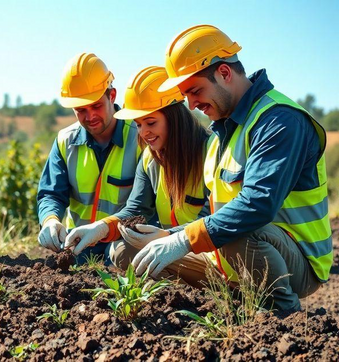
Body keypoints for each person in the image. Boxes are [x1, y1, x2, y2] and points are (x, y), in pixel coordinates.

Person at [131, 25, 329, 310]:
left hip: (294, 261)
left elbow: (258, 205)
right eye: (185, 94)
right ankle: (233, 299)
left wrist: (185, 239)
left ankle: (283, 315)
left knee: (239, 231)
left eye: (195, 90)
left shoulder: (279, 121)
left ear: (224, 73)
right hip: (229, 259)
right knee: (133, 250)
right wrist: (171, 236)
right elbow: (213, 214)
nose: (191, 103)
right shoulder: (220, 135)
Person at [65, 65, 238, 287]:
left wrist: (167, 237)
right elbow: (136, 209)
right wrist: (100, 228)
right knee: (121, 250)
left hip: (214, 254)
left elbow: (213, 218)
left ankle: (221, 293)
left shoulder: (210, 150)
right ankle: (184, 294)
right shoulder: (149, 158)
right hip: (174, 250)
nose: (144, 132)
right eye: (138, 124)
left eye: (151, 122)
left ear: (174, 117)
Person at [37, 53, 142, 262]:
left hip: (125, 244)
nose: (90, 116)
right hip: (79, 245)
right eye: (81, 110)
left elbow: (147, 204)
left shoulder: (140, 137)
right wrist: (50, 220)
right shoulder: (65, 141)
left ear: (112, 96)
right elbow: (51, 194)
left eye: (96, 106)